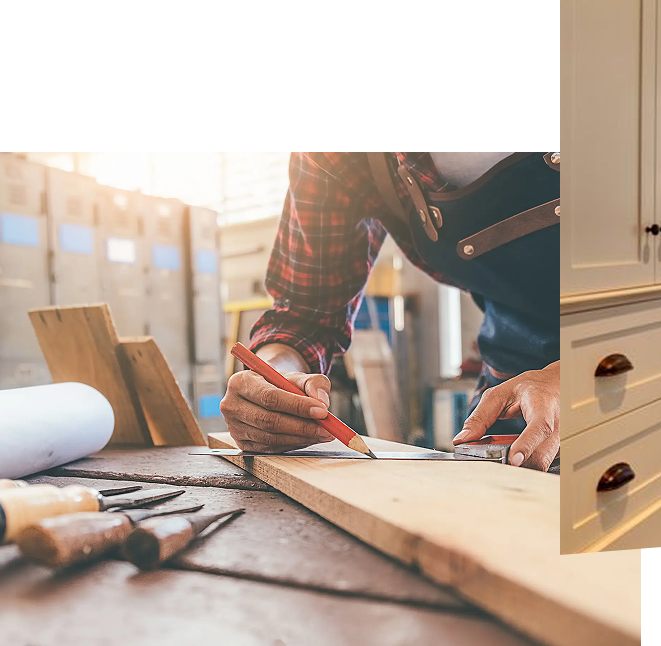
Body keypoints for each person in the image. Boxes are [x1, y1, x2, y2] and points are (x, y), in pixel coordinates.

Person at [219, 152, 560, 471]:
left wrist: (575, 376)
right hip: (509, 401)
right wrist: (274, 379)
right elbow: (305, 314)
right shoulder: (337, 158)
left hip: (610, 369)